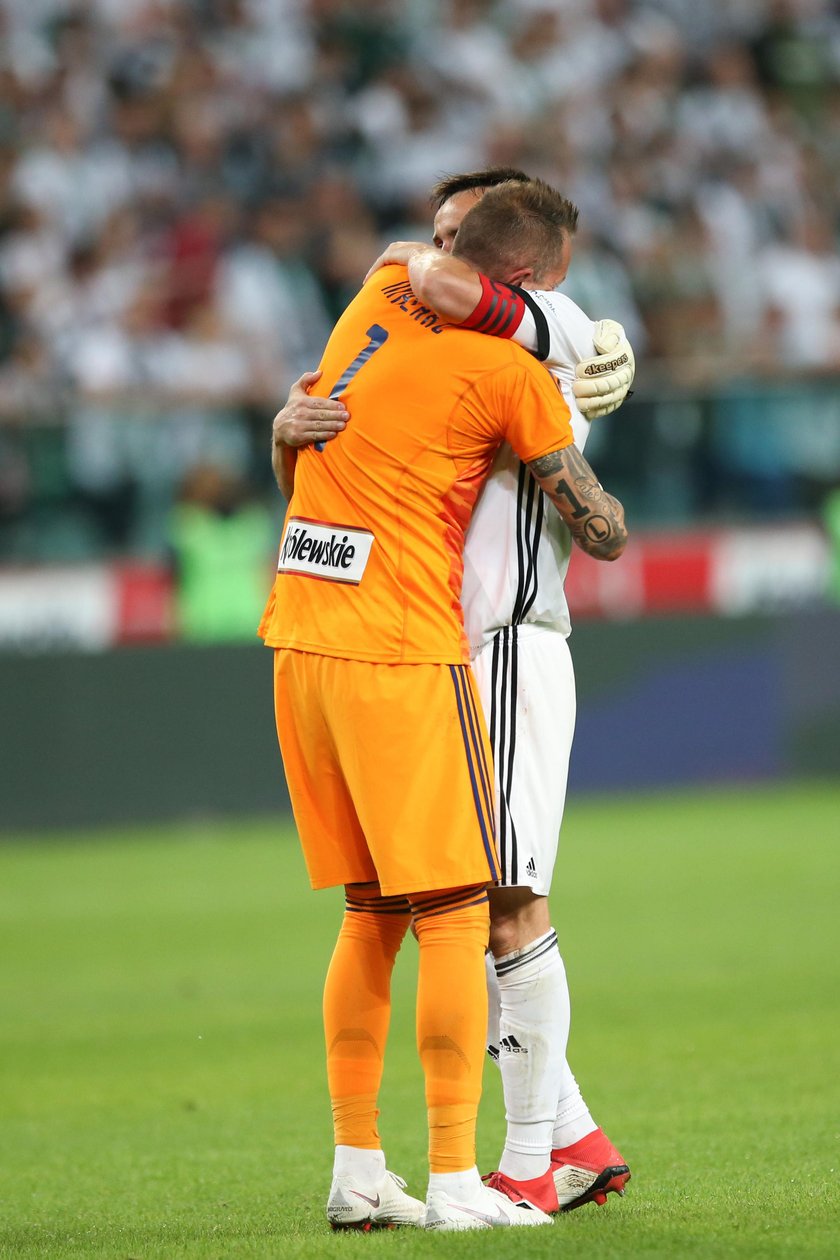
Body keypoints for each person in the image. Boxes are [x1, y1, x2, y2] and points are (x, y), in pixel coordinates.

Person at [261, 178, 628, 1232]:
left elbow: (419, 280)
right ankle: (520, 1161)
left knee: (437, 908)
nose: (431, 255)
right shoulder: (445, 337)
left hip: (399, 641)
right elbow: (601, 533)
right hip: (414, 649)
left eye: (451, 240)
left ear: (500, 267)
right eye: (431, 236)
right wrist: (288, 430)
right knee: (454, 910)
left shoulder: (495, 317)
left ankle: (461, 1164)